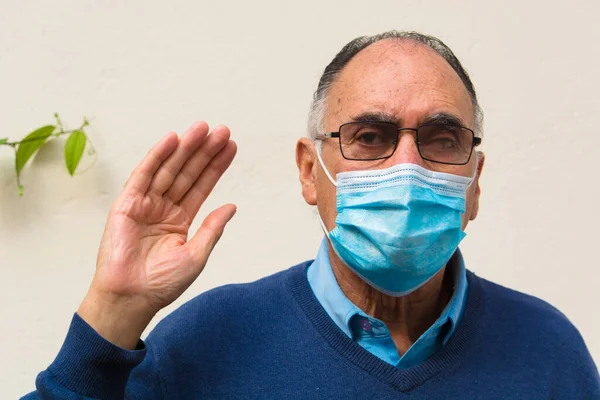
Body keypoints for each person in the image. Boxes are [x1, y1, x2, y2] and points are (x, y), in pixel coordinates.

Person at [23, 31, 599, 400]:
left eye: (441, 138)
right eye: (369, 137)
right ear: (308, 171)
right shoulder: (204, 342)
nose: (406, 166)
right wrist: (113, 310)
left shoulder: (547, 350)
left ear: (474, 181)